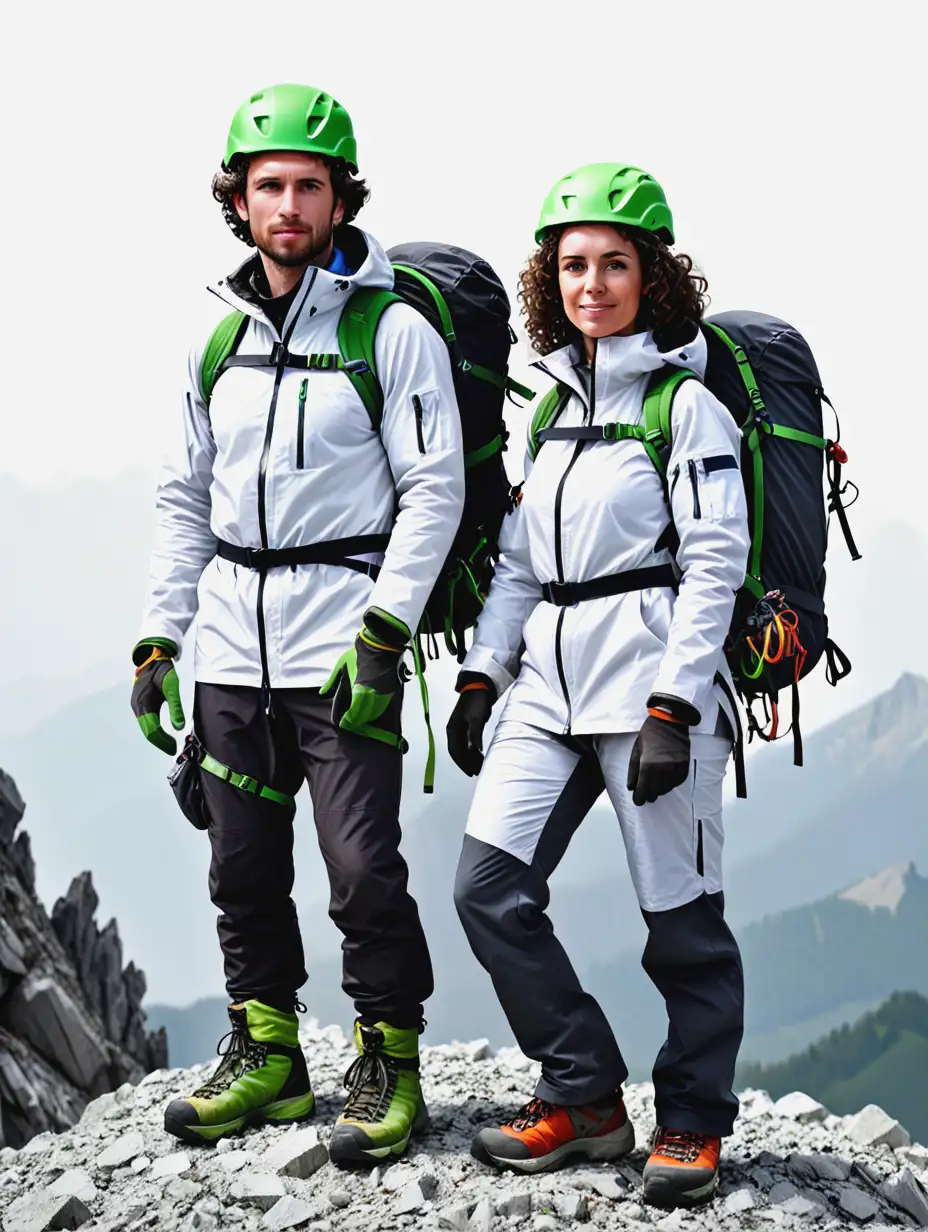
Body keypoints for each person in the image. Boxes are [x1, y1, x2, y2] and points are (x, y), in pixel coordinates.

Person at [130, 83, 464, 1164]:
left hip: (339, 641)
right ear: (237, 199)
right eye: (266, 184)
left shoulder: (391, 329)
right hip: (230, 637)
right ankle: (268, 1049)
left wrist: (385, 629)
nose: (286, 204)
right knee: (239, 864)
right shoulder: (212, 340)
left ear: (339, 197)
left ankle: (387, 1056)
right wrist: (158, 638)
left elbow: (435, 490)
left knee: (362, 865)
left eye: (306, 186)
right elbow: (185, 497)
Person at [447, 164, 749, 1209]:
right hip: (548, 686)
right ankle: (583, 1093)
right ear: (550, 279)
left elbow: (713, 561)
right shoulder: (550, 414)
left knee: (682, 924)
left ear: (653, 276)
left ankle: (694, 1119)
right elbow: (522, 564)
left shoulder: (686, 406)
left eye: (614, 263)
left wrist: (674, 707)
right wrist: (484, 673)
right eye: (572, 264)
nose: (591, 283)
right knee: (486, 889)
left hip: (649, 694)